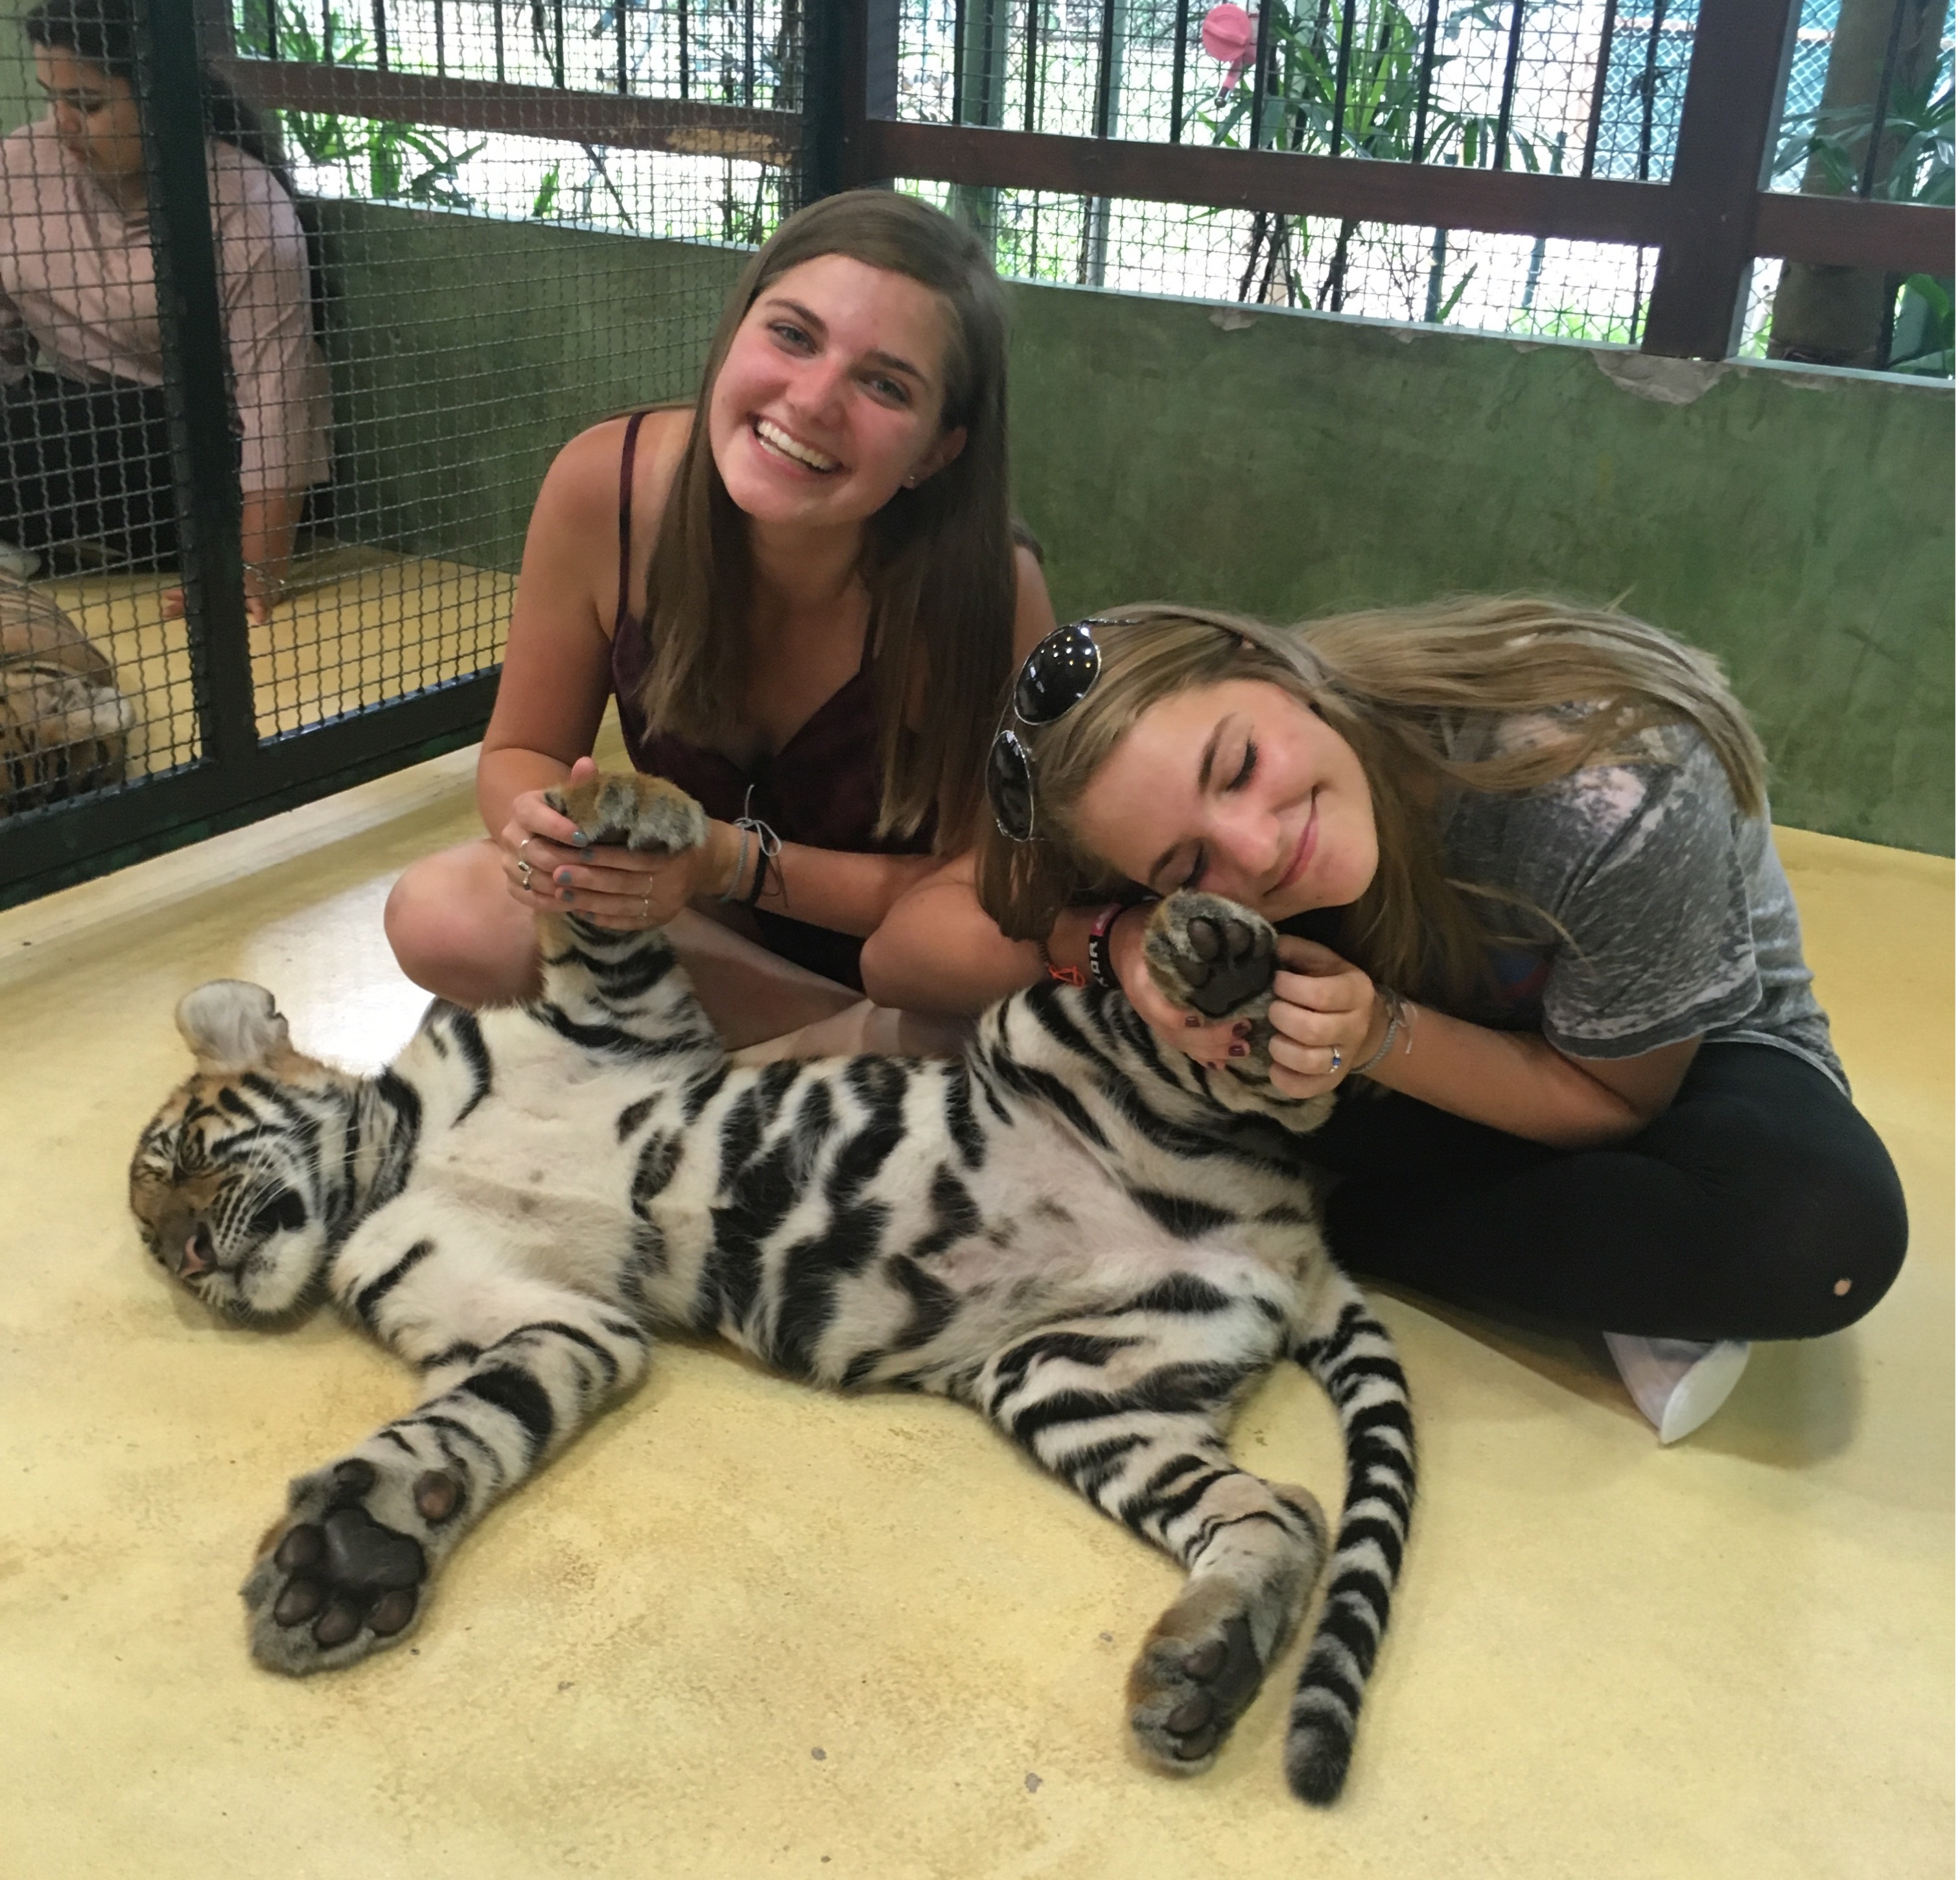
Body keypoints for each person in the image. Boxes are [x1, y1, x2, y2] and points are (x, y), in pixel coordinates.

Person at [865, 596, 1909, 1444]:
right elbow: (899, 954)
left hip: (1680, 1069)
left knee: (1822, 1237)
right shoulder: (1162, 811)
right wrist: (1119, 943)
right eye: (1188, 865)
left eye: (1239, 767)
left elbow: (1614, 1105)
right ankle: (1593, 1264)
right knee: (1163, 1009)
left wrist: (1378, 1038)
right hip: (1379, 1064)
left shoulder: (1608, 781)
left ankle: (1332, 1214)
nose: (1257, 848)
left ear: (1273, 669)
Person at [384, 188, 1055, 1050]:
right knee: (444, 911)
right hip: (707, 937)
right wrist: (555, 837)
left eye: (885, 384)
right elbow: (520, 752)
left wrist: (730, 861)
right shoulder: (605, 487)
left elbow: (990, 895)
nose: (812, 401)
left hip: (891, 964)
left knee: (991, 960)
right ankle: (839, 1054)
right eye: (793, 335)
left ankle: (816, 1054)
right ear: (734, 330)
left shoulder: (990, 590)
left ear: (936, 449)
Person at [0, 0, 328, 621]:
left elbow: (278, 406)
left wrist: (253, 571)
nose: (61, 124)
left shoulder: (243, 206)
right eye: (51, 98)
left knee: (64, 436)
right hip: (71, 421)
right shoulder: (19, 167)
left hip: (199, 462)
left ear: (158, 96)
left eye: (86, 104)